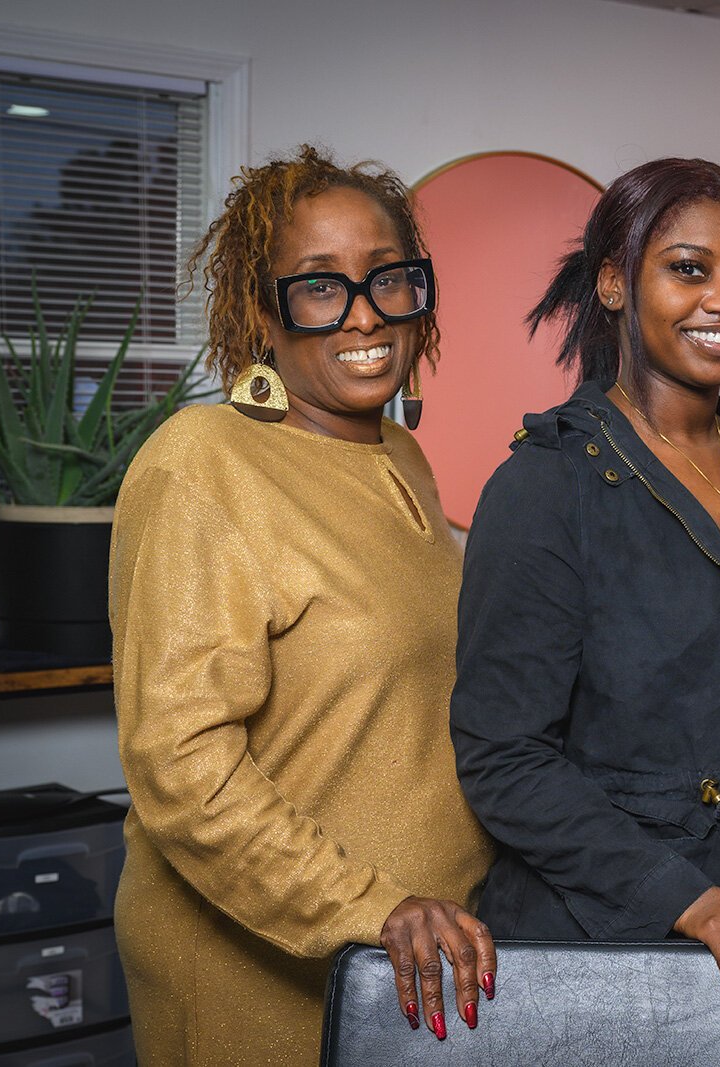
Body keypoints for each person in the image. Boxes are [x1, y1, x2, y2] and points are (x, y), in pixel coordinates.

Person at [110, 145, 496, 1066]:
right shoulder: (200, 461)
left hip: (420, 959)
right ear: (260, 309)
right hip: (265, 967)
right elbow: (182, 763)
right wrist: (372, 908)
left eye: (388, 280)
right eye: (319, 287)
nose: (365, 315)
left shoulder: (398, 453)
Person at [450, 158, 720, 1024]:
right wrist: (688, 898)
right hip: (619, 951)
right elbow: (503, 757)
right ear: (612, 283)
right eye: (689, 269)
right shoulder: (548, 485)